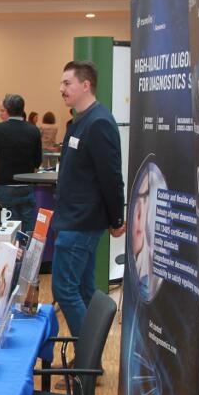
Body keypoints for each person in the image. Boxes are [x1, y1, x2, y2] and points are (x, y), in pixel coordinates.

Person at [52, 60, 125, 339]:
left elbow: (111, 176)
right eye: (61, 83)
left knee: (64, 289)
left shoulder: (99, 122)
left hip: (81, 222)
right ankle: (88, 362)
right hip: (74, 219)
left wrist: (116, 218)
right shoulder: (80, 120)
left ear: (86, 85)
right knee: (82, 290)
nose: (61, 88)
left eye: (67, 83)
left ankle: (87, 362)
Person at [0, 93, 42, 233]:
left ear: (7, 109)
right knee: (28, 227)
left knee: (6, 228)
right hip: (27, 185)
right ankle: (26, 253)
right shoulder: (33, 130)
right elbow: (38, 161)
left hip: (4, 186)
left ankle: (10, 254)